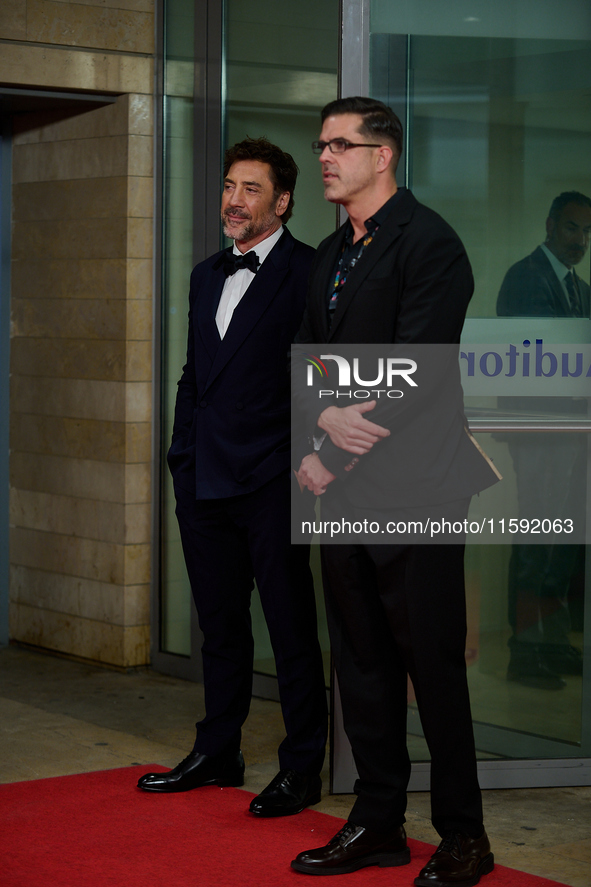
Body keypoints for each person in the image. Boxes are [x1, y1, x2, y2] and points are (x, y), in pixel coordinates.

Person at [290, 97, 499, 886]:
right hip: (340, 495)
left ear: (384, 155)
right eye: (319, 144)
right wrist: (322, 427)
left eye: (341, 144)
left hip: (415, 490)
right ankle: (377, 822)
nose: (324, 158)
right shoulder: (328, 252)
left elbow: (416, 369)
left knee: (430, 663)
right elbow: (305, 359)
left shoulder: (430, 243)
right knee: (362, 661)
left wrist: (328, 447)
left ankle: (464, 836)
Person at [138, 137, 328, 817]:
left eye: (251, 189)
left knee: (290, 627)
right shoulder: (203, 275)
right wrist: (180, 455)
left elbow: (323, 381)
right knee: (218, 625)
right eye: (228, 186)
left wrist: (308, 461)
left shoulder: (310, 271)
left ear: (282, 202)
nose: (233, 199)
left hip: (276, 478)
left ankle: (302, 767)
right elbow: (196, 374)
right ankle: (218, 750)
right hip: (204, 477)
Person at [497, 191, 590, 689]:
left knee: (562, 543)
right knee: (537, 538)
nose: (581, 240)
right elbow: (532, 362)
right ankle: (525, 652)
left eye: (588, 232)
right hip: (540, 434)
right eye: (573, 228)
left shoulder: (582, 290)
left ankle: (552, 643)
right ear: (551, 225)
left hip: (575, 437)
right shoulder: (525, 278)